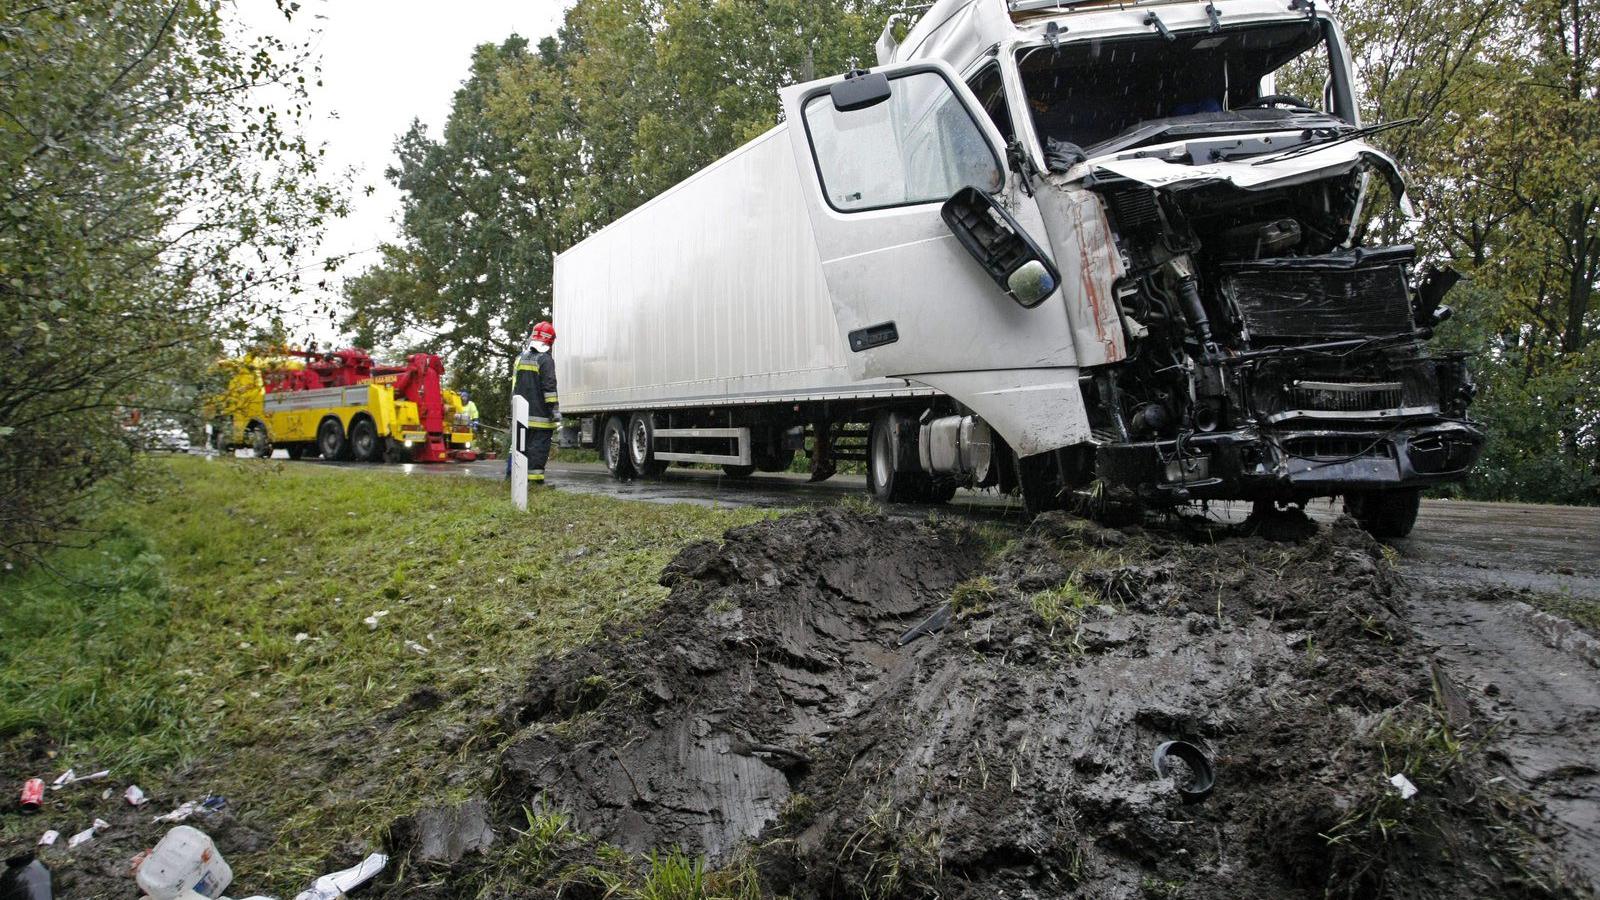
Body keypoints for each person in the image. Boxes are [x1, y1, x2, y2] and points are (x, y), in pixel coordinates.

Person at [511, 321, 559, 487]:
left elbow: (516, 387)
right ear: (549, 342)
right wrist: (554, 410)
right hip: (541, 419)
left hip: (521, 417)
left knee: (520, 451)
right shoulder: (545, 360)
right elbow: (549, 388)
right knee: (537, 452)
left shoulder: (521, 359)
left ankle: (516, 482)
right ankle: (535, 484)